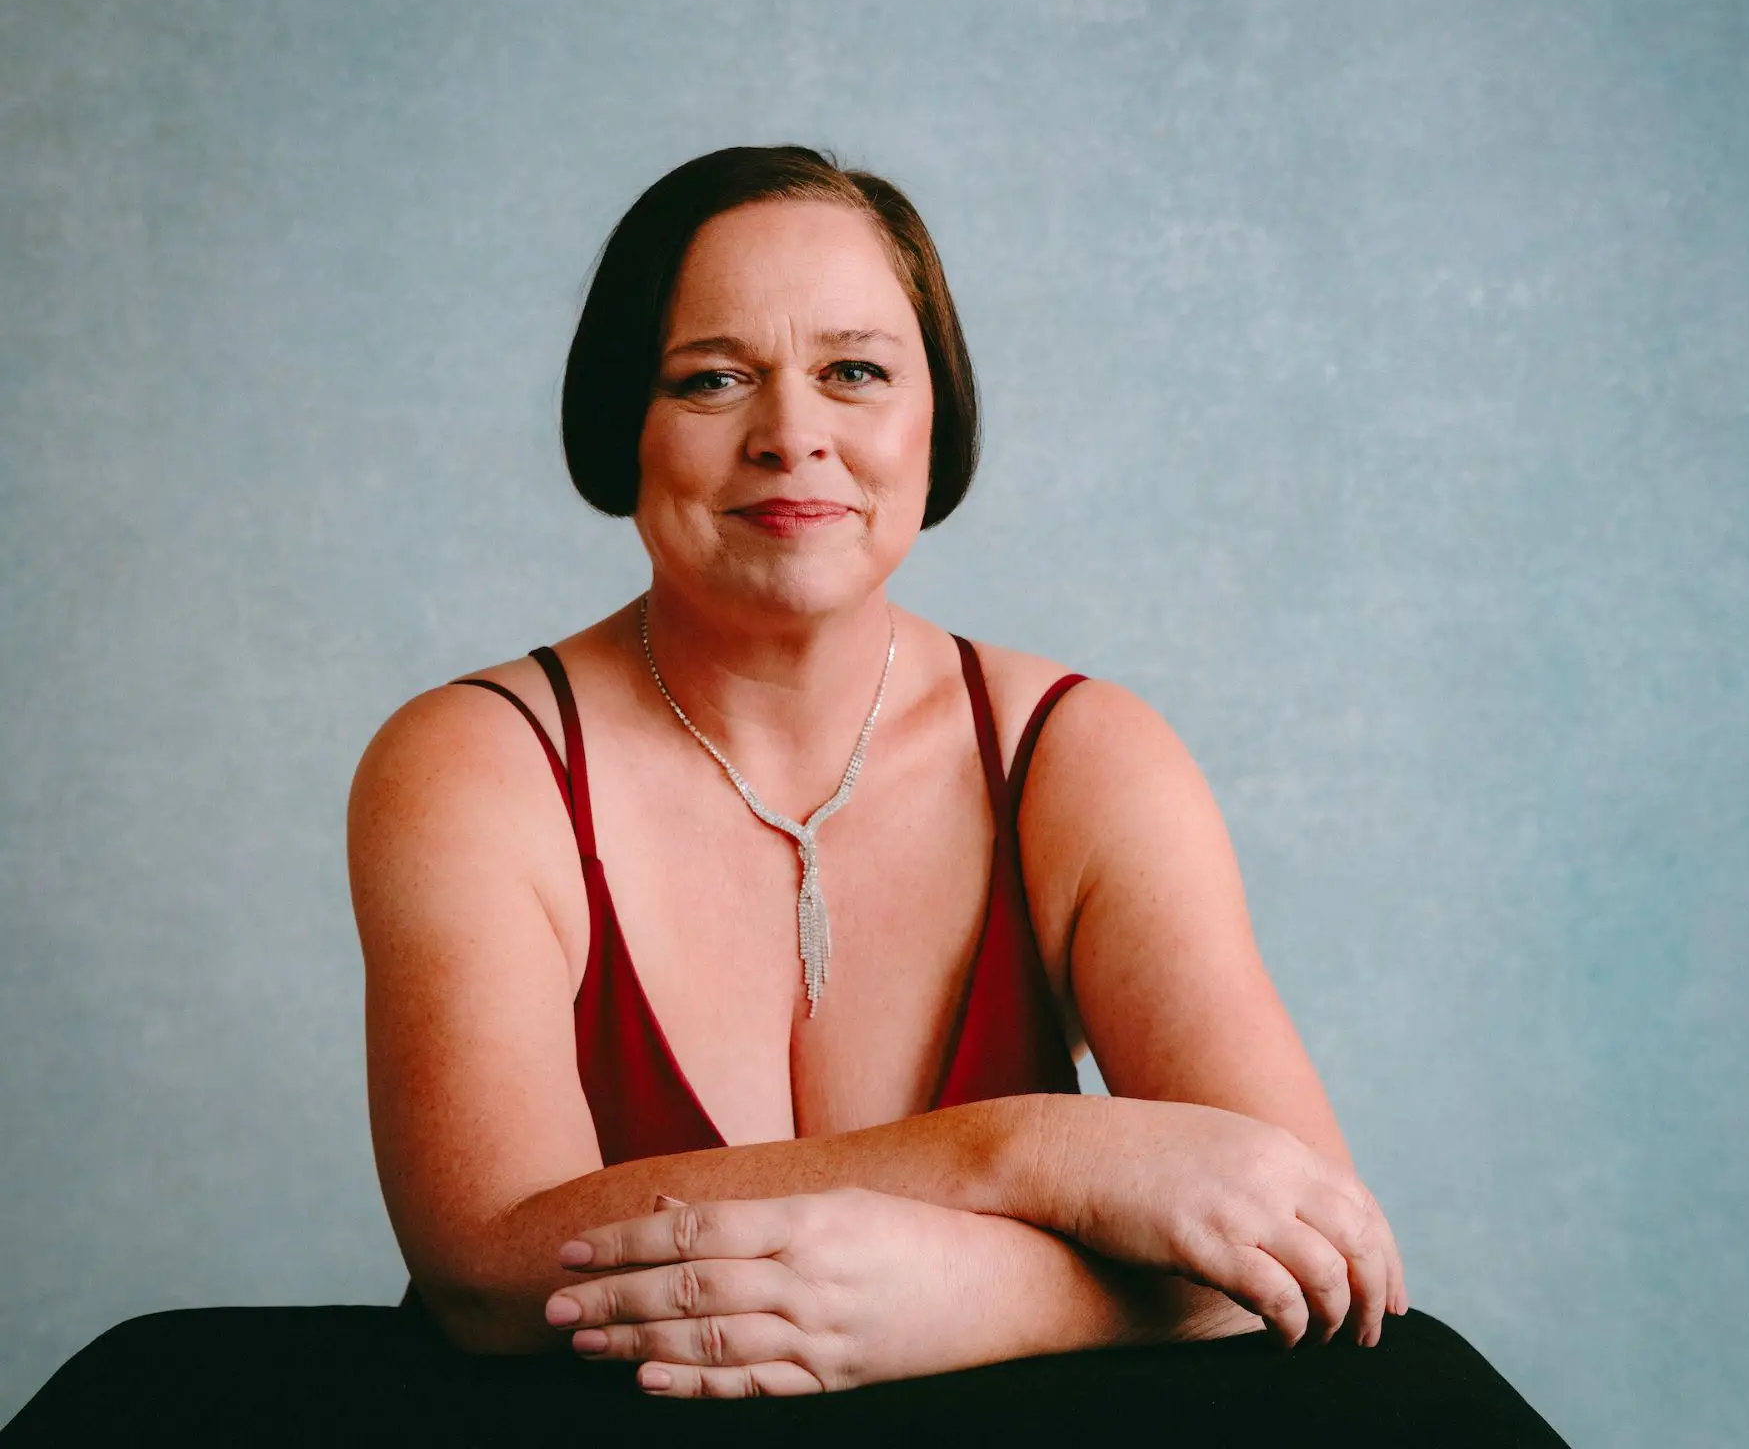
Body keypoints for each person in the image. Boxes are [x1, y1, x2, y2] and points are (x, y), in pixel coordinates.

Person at [345, 143, 1409, 1400]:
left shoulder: (1082, 754)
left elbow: (1310, 1243)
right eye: (711, 379)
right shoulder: (473, 761)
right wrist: (1024, 1154)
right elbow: (485, 1268)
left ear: (932, 418)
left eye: (853, 372)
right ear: (617, 423)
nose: (791, 437)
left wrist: (966, 1294)